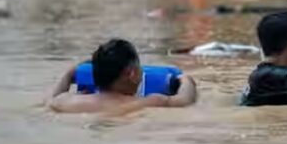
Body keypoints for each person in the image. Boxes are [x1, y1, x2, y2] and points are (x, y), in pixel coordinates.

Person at [47, 39, 197, 113]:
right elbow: (185, 101)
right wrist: (186, 79)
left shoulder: (65, 101)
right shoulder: (149, 101)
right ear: (131, 74)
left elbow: (50, 101)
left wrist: (69, 73)